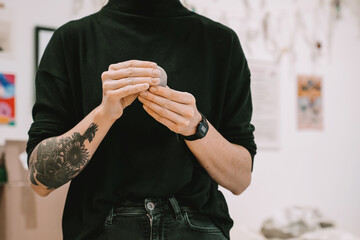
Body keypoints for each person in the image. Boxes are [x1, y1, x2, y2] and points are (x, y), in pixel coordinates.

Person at [26, 0, 257, 239]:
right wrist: (104, 114)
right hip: (102, 226)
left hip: (195, 225)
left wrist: (195, 126)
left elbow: (240, 179)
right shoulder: (72, 41)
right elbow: (40, 181)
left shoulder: (221, 43)